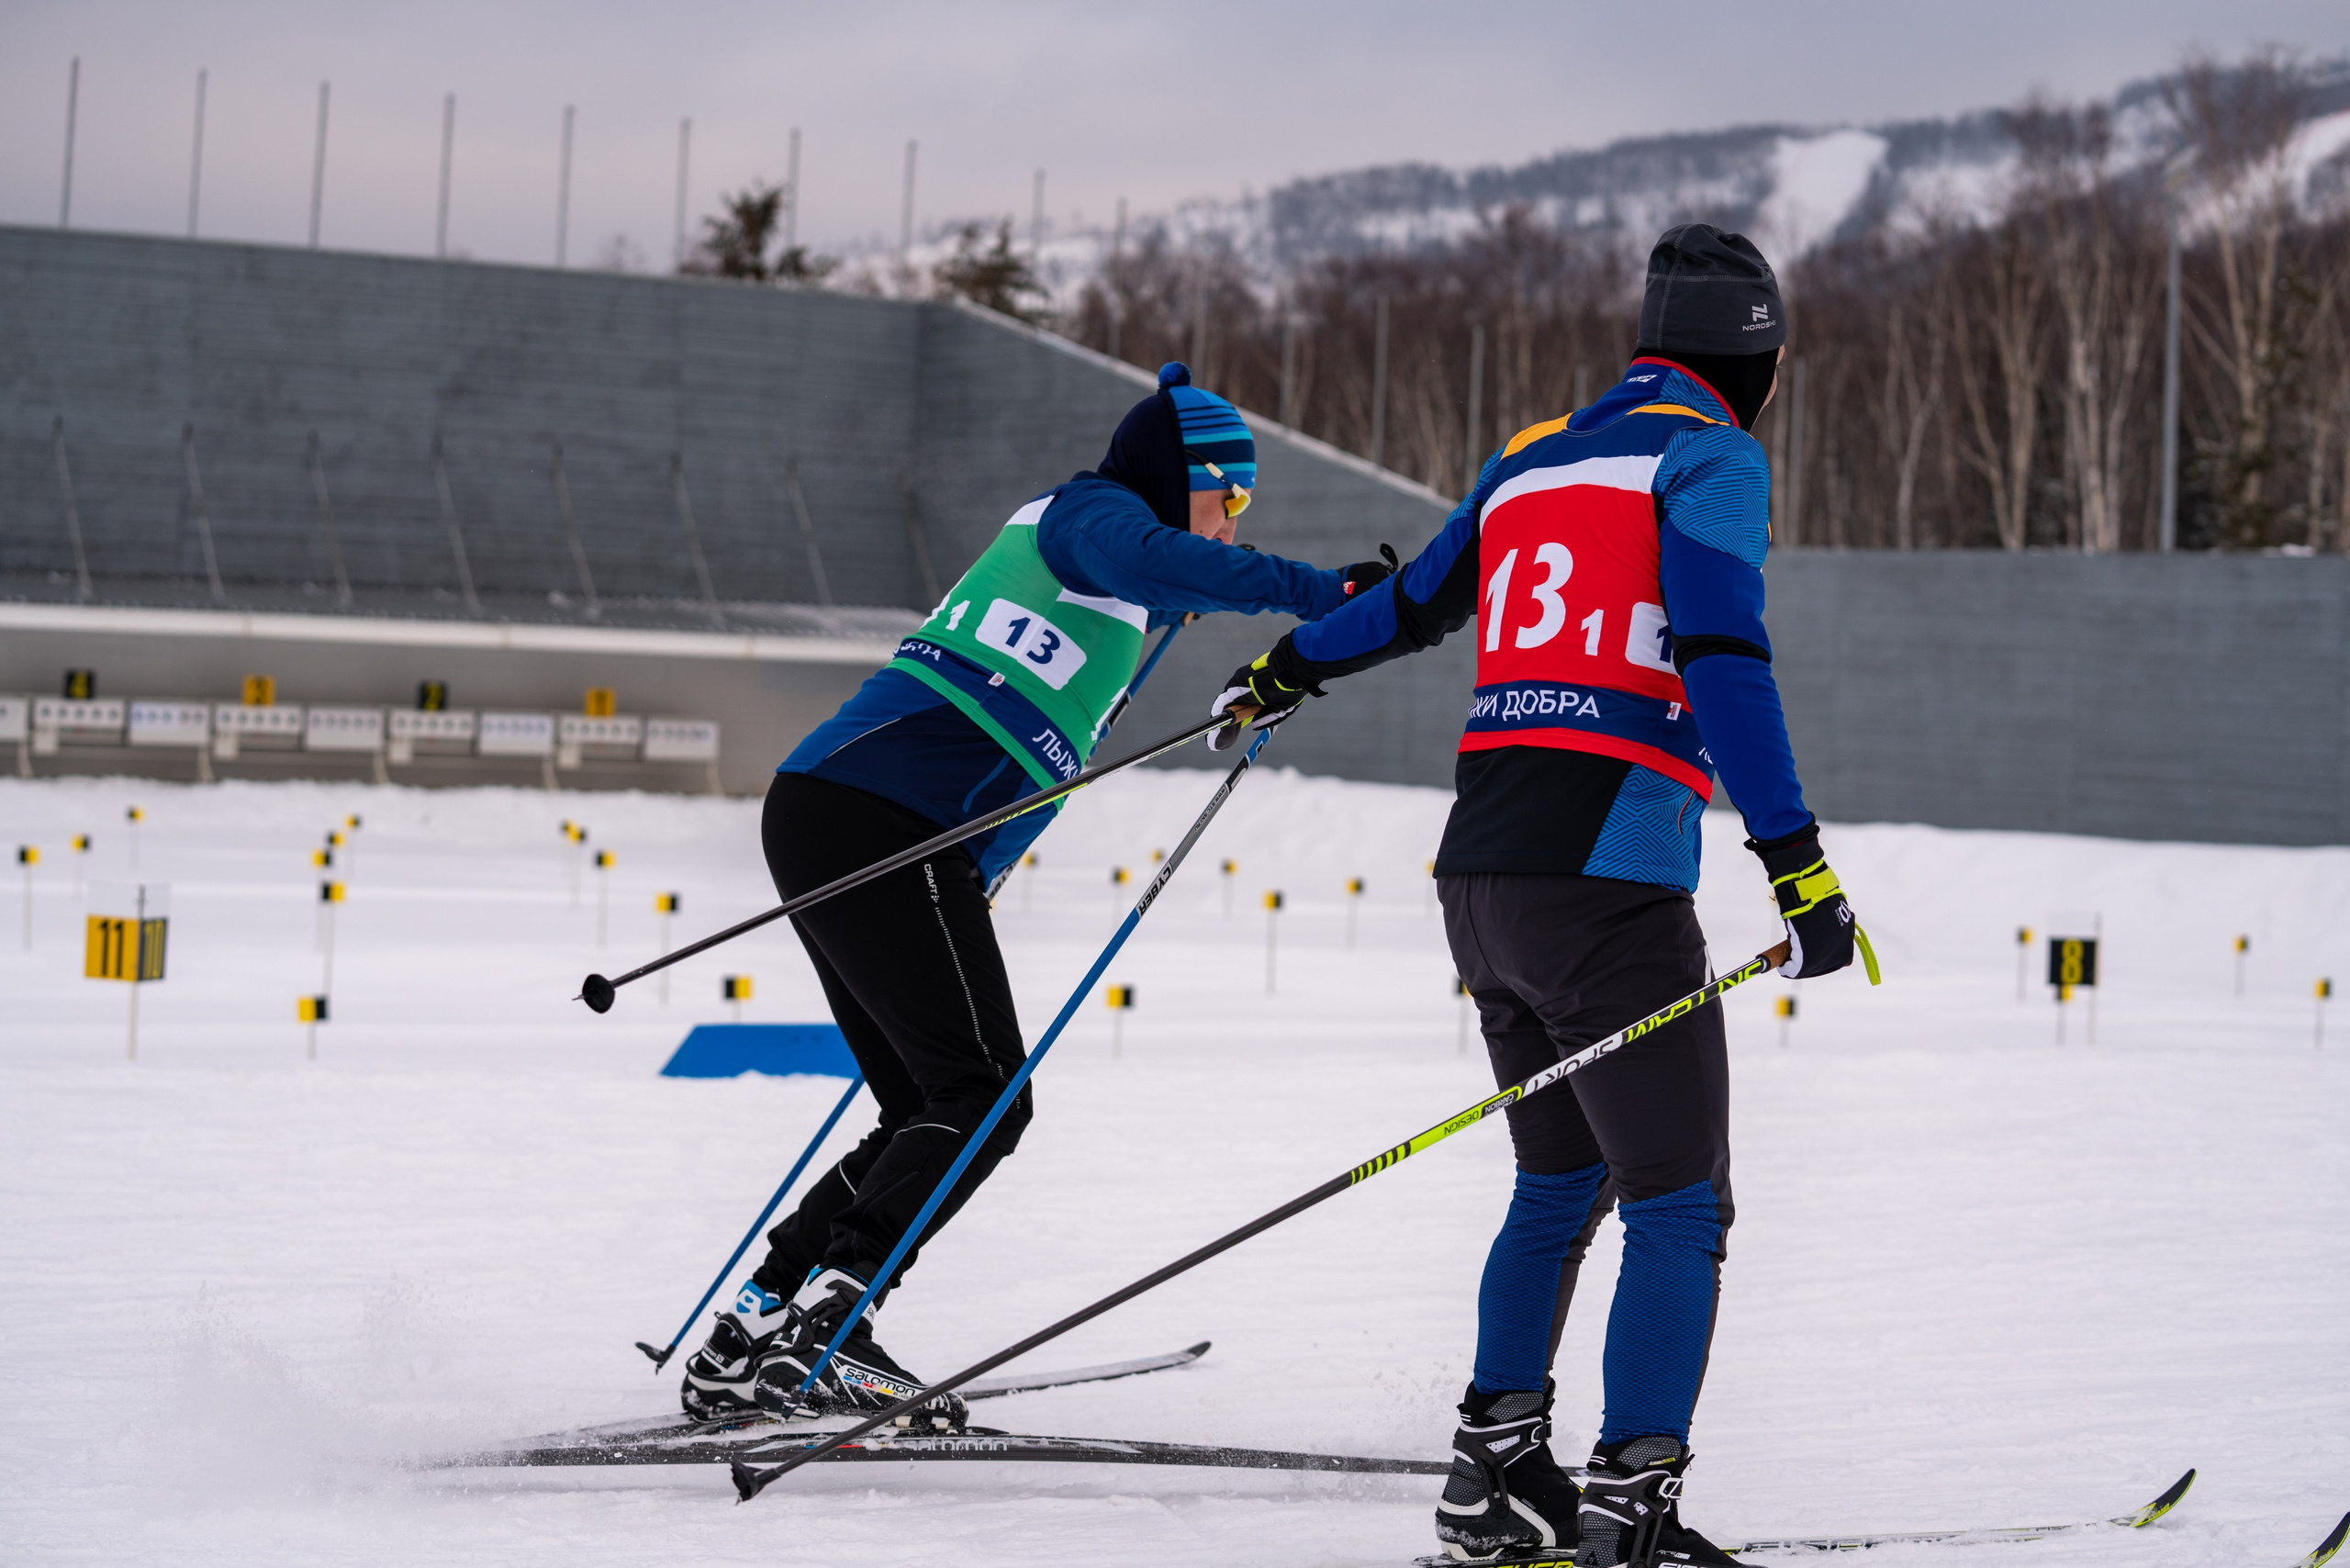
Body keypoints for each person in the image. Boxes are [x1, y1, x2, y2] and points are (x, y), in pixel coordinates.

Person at [1211, 227, 1869, 1568]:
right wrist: (1796, 865)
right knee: (1679, 1204)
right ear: (1759, 358)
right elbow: (1725, 657)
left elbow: (1412, 603)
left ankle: (1494, 1481)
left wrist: (1288, 666)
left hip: (1482, 876)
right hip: (1606, 878)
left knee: (1560, 1185)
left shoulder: (1536, 453)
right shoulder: (1709, 456)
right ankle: (1632, 1509)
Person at [678, 363, 1394, 1428]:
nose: (1236, 522)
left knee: (931, 1104)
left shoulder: (1115, 584)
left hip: (855, 819)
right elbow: (1167, 557)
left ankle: (761, 1320)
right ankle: (832, 1318)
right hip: (882, 819)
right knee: (983, 1099)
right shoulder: (1086, 516)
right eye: (1229, 497)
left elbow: (1026, 738)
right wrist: (1312, 590)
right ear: (1177, 476)